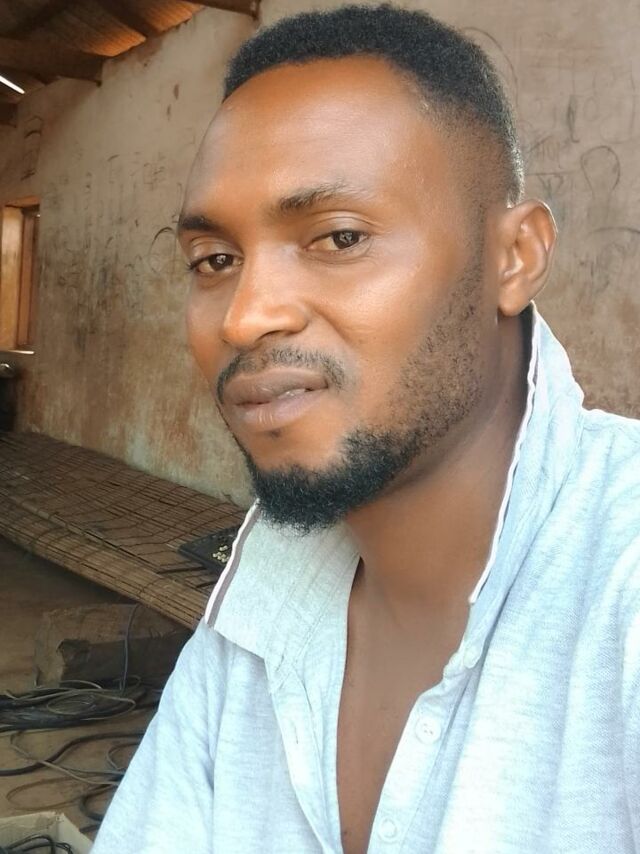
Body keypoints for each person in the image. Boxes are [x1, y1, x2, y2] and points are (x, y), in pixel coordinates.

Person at [93, 5, 640, 852]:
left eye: (338, 237)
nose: (244, 317)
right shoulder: (263, 597)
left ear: (515, 256)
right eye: (215, 260)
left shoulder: (621, 586)